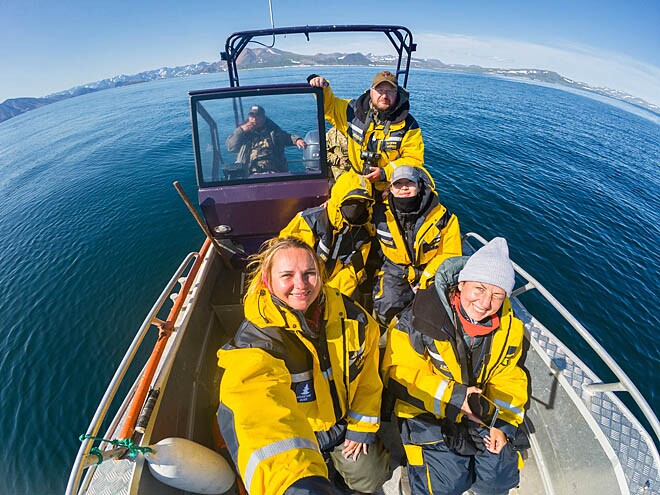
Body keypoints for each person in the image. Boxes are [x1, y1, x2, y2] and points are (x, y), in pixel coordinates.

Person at [217, 237, 391, 495]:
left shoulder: (354, 318)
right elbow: (253, 405)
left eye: (309, 273)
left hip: (343, 426)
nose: (300, 285)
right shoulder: (257, 340)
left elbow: (367, 376)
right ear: (268, 280)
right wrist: (295, 485)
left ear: (320, 275)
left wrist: (361, 428)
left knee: (372, 478)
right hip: (299, 434)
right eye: (287, 275)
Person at [381, 237, 528, 495]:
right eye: (479, 289)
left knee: (499, 476)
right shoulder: (418, 318)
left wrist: (502, 424)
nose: (485, 302)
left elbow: (508, 377)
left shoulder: (510, 328)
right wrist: (453, 397)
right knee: (447, 482)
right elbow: (397, 372)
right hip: (427, 408)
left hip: (478, 411)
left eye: (497, 294)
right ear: (461, 284)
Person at [371, 165, 461, 327]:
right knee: (385, 307)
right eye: (398, 184)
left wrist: (427, 277)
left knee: (435, 315)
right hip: (395, 269)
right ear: (390, 188)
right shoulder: (378, 213)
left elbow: (450, 254)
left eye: (409, 183)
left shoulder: (444, 218)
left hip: (431, 270)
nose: (404, 187)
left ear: (419, 186)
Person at [308, 71, 428, 188]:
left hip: (390, 184)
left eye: (390, 91)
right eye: (380, 90)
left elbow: (413, 159)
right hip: (357, 179)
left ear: (397, 93)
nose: (384, 96)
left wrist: (384, 172)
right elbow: (329, 107)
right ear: (371, 91)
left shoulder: (408, 124)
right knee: (346, 204)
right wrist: (322, 87)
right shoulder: (352, 111)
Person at [280, 172, 375, 299]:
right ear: (338, 199)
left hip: (334, 295)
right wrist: (308, 290)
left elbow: (352, 272)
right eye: (350, 201)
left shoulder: (363, 236)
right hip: (299, 290)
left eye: (362, 202)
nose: (355, 207)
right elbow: (287, 260)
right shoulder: (309, 221)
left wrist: (330, 296)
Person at [225, 104, 306, 174]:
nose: (254, 119)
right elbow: (231, 147)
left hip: (273, 170)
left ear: (263, 117)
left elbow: (286, 137)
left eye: (257, 116)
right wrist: (240, 131)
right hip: (249, 172)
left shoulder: (273, 130)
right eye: (252, 116)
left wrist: (297, 140)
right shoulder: (242, 132)